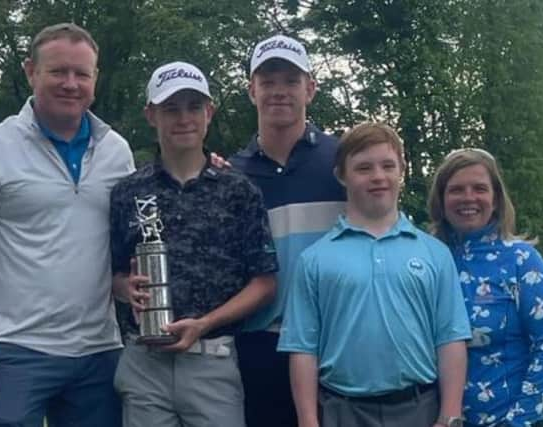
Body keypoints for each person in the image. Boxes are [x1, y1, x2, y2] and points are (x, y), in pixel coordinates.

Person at [0, 23, 134, 426]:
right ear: (31, 71)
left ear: (95, 78)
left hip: (98, 352)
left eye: (82, 74)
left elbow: (120, 246)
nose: (70, 83)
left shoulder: (117, 151)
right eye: (57, 71)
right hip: (14, 351)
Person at [109, 61, 278, 427]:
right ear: (151, 115)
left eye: (193, 107)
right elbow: (114, 275)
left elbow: (265, 282)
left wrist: (204, 324)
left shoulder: (239, 190)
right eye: (171, 108)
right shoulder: (127, 192)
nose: (183, 118)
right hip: (144, 362)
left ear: (209, 112)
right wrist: (126, 288)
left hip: (212, 359)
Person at [278, 122, 472, 427]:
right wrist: (308, 421)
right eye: (364, 168)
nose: (378, 177)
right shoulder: (314, 259)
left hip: (419, 409)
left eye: (387, 166)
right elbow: (303, 349)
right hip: (343, 411)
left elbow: (450, 340)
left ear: (401, 171)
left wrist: (449, 417)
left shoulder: (434, 253)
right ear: (342, 175)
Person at [230, 34, 346, 427]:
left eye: (291, 81)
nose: (279, 91)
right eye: (268, 81)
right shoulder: (231, 176)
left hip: (336, 340)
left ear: (310, 89)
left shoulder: (345, 161)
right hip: (260, 345)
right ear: (252, 90)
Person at [427, 148, 543, 427]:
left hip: (511, 420)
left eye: (479, 188)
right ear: (441, 200)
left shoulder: (522, 260)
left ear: (496, 198)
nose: (468, 198)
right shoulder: (428, 259)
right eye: (456, 190)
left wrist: (520, 419)